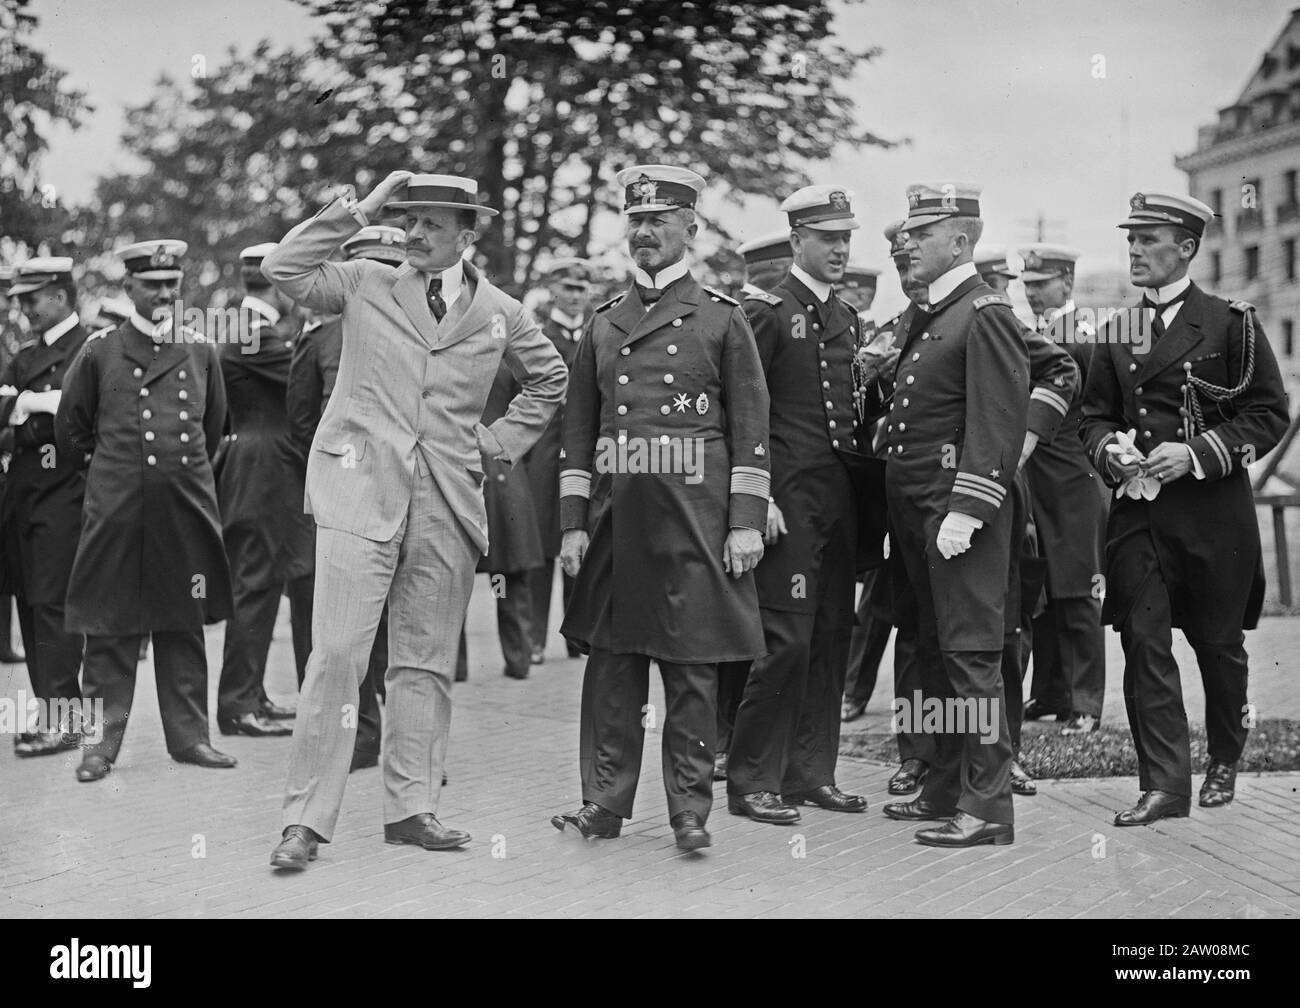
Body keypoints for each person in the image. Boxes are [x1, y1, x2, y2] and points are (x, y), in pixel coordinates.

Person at [264, 171, 566, 869]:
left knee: (424, 665)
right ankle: (305, 821)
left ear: (467, 234)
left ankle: (411, 809)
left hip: (447, 500)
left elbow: (551, 379)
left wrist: (493, 444)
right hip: (357, 489)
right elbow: (285, 266)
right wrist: (360, 207)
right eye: (409, 220)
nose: (414, 234)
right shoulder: (364, 282)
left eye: (431, 223)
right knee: (337, 654)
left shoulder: (501, 311)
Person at [552, 164, 770, 852]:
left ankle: (689, 812)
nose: (644, 233)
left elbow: (752, 430)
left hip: (696, 520)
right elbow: (578, 434)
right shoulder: (603, 324)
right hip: (619, 523)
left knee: (691, 669)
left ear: (690, 230)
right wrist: (571, 526)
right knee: (612, 669)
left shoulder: (721, 319)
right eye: (636, 221)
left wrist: (743, 520)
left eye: (659, 221)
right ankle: (604, 803)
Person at [1080, 191, 1289, 825]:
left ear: (1188, 247)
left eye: (1148, 239)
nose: (1135, 250)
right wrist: (1109, 454)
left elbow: (1268, 414)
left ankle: (1225, 758)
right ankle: (1165, 785)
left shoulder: (1234, 323)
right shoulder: (1115, 330)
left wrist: (1197, 453)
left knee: (1218, 646)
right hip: (1139, 519)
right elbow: (1090, 417)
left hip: (1212, 517)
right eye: (1131, 239)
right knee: (1143, 642)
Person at [727, 184, 892, 826]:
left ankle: (811, 773)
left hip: (839, 504)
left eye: (846, 239)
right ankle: (751, 779)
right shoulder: (767, 312)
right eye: (827, 239)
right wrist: (755, 492)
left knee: (830, 636)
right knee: (784, 641)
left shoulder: (847, 318)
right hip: (786, 505)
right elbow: (740, 409)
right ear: (797, 241)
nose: (839, 250)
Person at [55, 239, 237, 782]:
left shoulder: (202, 350)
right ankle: (98, 747)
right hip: (116, 511)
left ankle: (191, 739)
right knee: (109, 627)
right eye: (152, 284)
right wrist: (114, 474)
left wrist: (174, 478)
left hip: (183, 511)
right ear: (129, 286)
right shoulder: (100, 350)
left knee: (183, 623)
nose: (163, 292)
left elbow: (215, 431)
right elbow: (72, 429)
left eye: (171, 283)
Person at [882, 182, 1028, 847]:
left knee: (971, 659)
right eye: (909, 232)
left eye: (923, 231)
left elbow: (997, 419)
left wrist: (968, 506)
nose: (907, 242)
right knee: (939, 657)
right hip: (919, 517)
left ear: (961, 241)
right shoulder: (938, 312)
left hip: (955, 516)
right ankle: (945, 787)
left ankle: (989, 807)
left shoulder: (985, 312)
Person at [286, 223, 409, 771]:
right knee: (347, 629)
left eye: (392, 264)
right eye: (372, 266)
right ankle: (359, 736)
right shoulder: (320, 340)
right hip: (347, 503)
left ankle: (403, 742)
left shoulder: (423, 331)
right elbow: (301, 422)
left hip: (407, 497)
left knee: (403, 628)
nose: (383, 277)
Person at [214, 243, 313, 737]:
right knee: (255, 587)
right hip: (265, 474)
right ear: (281, 284)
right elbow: (304, 378)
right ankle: (237, 707)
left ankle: (251, 696)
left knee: (264, 584)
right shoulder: (252, 333)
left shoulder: (244, 326)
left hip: (263, 472)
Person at [1018, 244, 1108, 734]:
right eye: (1028, 284)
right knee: (1044, 592)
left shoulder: (1086, 334)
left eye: (1042, 283)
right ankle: (1049, 693)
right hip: (1036, 480)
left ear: (1068, 283)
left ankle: (1085, 703)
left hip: (1074, 478)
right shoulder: (1031, 332)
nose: (1032, 292)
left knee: (1077, 593)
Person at [2, 258, 87, 756]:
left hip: (66, 496)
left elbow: (78, 418)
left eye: (31, 299)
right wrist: (40, 405)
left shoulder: (91, 347)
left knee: (54, 607)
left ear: (59, 294)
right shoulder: (25, 354)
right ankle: (49, 710)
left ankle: (68, 718)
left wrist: (25, 409)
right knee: (32, 607)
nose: (25, 309)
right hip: (24, 498)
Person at [526, 258, 593, 664]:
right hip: (544, 454)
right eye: (567, 287)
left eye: (581, 289)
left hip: (584, 456)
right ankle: (534, 639)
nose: (574, 295)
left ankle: (577, 636)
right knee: (538, 547)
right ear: (553, 290)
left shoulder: (596, 333)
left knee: (580, 539)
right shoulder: (537, 336)